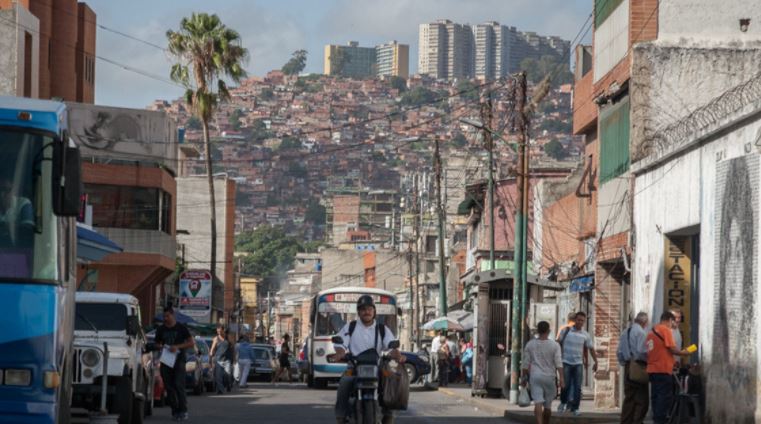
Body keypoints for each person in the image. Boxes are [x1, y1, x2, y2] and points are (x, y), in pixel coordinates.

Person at [328, 295, 404, 424]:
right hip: (354, 367)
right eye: (363, 309)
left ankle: (389, 416)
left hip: (377, 367)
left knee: (390, 380)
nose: (366, 312)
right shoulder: (350, 327)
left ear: (374, 311)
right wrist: (339, 354)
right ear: (358, 312)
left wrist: (398, 355)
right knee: (344, 382)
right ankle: (340, 417)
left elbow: (391, 345)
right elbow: (341, 344)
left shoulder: (382, 329)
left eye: (369, 309)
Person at [646, 312, 691, 424]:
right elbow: (672, 349)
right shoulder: (665, 330)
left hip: (652, 370)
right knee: (664, 397)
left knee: (655, 397)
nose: (673, 325)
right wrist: (684, 352)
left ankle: (656, 419)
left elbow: (656, 351)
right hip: (663, 370)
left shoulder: (651, 332)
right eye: (673, 322)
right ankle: (660, 421)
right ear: (669, 320)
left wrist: (672, 361)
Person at [155, 306, 195, 422]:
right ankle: (175, 410)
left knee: (179, 385)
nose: (166, 318)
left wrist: (177, 346)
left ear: (173, 315)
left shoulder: (181, 328)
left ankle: (183, 410)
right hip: (166, 361)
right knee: (169, 387)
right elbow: (157, 344)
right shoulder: (161, 329)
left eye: (167, 316)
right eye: (164, 316)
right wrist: (161, 346)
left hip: (179, 360)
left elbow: (191, 343)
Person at [556, 311, 598, 416]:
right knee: (565, 385)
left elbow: (591, 349)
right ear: (575, 320)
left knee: (578, 387)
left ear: (584, 322)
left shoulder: (585, 334)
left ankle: (575, 408)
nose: (580, 322)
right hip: (566, 362)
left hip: (578, 364)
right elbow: (557, 344)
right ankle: (563, 402)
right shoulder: (566, 331)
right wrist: (557, 359)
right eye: (578, 320)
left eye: (582, 321)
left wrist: (596, 361)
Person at [522, 321, 564, 424]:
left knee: (538, 402)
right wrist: (562, 378)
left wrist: (523, 378)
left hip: (535, 377)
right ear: (549, 331)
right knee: (548, 406)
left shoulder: (530, 344)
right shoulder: (555, 345)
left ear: (537, 331)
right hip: (549, 377)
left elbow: (525, 364)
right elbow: (558, 363)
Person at [617, 312, 649, 424]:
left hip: (627, 366)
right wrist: (647, 361)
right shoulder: (641, 333)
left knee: (629, 397)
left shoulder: (625, 332)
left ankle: (625, 421)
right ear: (644, 322)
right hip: (638, 366)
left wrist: (624, 363)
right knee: (642, 399)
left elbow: (619, 352)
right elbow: (641, 352)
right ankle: (637, 421)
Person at [210, 325, 233, 394]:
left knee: (227, 375)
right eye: (218, 331)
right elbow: (212, 349)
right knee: (218, 377)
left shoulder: (228, 338)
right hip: (218, 360)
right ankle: (220, 390)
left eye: (220, 331)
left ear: (223, 330)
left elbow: (233, 349)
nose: (219, 332)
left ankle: (228, 385)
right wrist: (211, 356)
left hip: (227, 360)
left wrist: (234, 359)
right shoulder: (216, 339)